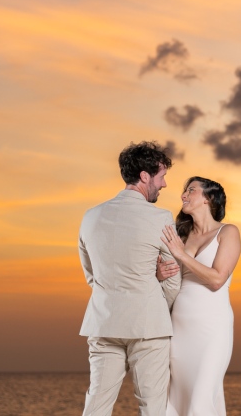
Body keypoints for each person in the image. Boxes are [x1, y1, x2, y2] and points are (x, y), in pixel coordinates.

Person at [78, 141, 182, 416]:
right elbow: (173, 277)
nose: (165, 184)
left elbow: (91, 275)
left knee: (96, 405)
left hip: (103, 321)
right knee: (153, 407)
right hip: (148, 323)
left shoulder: (90, 217)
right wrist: (158, 298)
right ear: (145, 176)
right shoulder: (161, 217)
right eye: (161, 176)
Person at [156, 176, 241, 416]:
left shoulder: (228, 232)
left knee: (201, 399)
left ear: (208, 198)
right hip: (179, 326)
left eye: (191, 190)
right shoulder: (180, 236)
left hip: (211, 327)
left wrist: (181, 255)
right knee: (175, 400)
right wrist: (160, 273)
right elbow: (170, 279)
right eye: (184, 190)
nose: (183, 195)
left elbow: (217, 279)